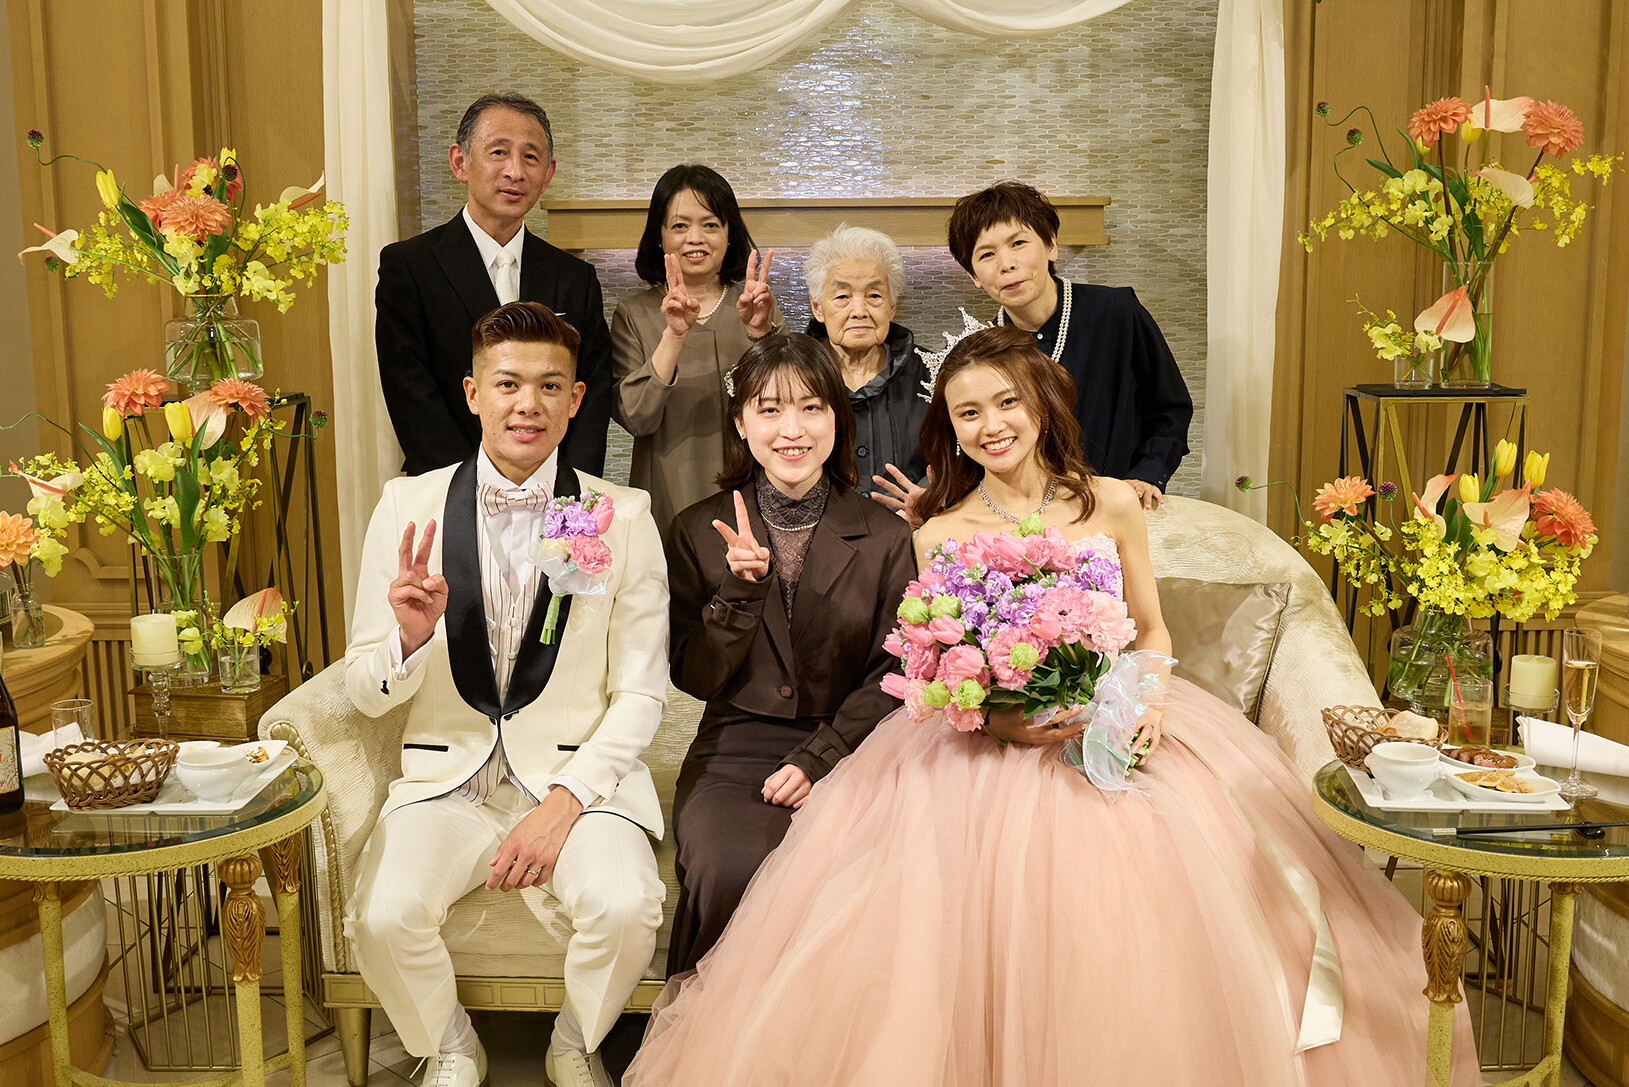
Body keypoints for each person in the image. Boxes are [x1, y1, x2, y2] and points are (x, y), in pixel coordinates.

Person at [623, 326, 1479, 1086]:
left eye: (1006, 402)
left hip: (1119, 723)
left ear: (1040, 405)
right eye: (966, 412)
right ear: (947, 427)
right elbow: (932, 663)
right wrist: (1000, 717)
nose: (989, 424)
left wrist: (1144, 703)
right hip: (988, 746)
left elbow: (1149, 628)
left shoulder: (1112, 503)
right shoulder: (936, 532)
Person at [345, 302, 668, 1087]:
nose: (528, 403)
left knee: (627, 904)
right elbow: (363, 688)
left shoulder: (621, 515)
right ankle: (451, 1043)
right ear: (472, 393)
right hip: (447, 778)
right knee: (383, 913)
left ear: (575, 400)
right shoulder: (406, 506)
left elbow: (641, 690)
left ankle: (573, 1041)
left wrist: (566, 800)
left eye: (549, 385)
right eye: (508, 383)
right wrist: (407, 641)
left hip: (577, 783)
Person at [663, 333, 915, 975]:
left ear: (837, 418)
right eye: (770, 409)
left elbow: (897, 667)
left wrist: (821, 756)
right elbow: (693, 674)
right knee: (729, 869)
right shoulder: (696, 529)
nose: (792, 430)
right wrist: (738, 592)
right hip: (735, 748)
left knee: (862, 875)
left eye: (811, 407)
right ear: (740, 424)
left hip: (856, 746)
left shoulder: (885, 534)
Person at [377, 93, 614, 477]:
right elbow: (410, 393)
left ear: (548, 174)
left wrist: (568, 490)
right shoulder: (410, 266)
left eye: (530, 157)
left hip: (555, 494)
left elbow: (592, 392)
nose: (515, 171)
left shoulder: (574, 277)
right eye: (499, 152)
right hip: (448, 484)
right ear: (460, 162)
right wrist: (472, 487)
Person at [946, 180, 1191, 510]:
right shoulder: (983, 352)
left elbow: (1169, 408)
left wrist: (1148, 474)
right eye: (987, 254)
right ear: (973, 275)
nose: (1006, 264)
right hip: (1028, 516)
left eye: (1018, 243)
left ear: (1051, 245)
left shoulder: (1116, 312)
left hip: (1118, 506)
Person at [611, 165, 781, 531]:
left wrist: (760, 332)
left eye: (710, 225)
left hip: (755, 493)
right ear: (659, 236)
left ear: (729, 235)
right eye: (679, 226)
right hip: (668, 496)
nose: (695, 238)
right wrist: (673, 335)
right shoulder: (634, 313)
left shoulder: (756, 305)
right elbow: (636, 418)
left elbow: (788, 404)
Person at [802, 224, 931, 512]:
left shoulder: (933, 373)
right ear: (817, 306)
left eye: (874, 296)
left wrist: (928, 499)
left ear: (892, 306)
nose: (859, 311)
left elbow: (957, 456)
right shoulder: (793, 376)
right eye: (842, 297)